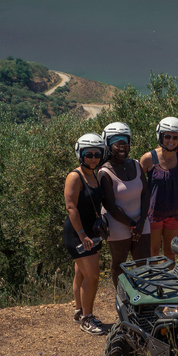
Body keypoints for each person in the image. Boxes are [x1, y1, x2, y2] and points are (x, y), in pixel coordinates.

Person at [63, 133, 108, 335]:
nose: (93, 158)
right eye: (88, 154)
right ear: (80, 154)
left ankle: (80, 311)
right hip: (78, 233)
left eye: (97, 154)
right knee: (93, 276)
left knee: (81, 272)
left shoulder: (93, 174)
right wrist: (82, 235)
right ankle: (88, 319)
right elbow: (71, 208)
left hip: (92, 231)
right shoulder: (75, 176)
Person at [99, 122, 150, 288]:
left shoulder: (136, 164)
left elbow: (145, 193)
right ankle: (122, 297)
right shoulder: (104, 172)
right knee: (119, 263)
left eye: (125, 140)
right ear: (107, 144)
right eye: (116, 141)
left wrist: (141, 221)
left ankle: (145, 297)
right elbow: (111, 206)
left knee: (144, 262)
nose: (121, 145)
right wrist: (132, 225)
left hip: (141, 221)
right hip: (117, 224)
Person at [140, 117, 178, 261]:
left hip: (175, 212)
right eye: (167, 136)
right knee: (152, 253)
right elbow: (139, 186)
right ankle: (154, 282)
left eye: (175, 137)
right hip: (154, 214)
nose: (171, 141)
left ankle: (169, 282)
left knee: (171, 253)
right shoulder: (148, 158)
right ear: (160, 136)